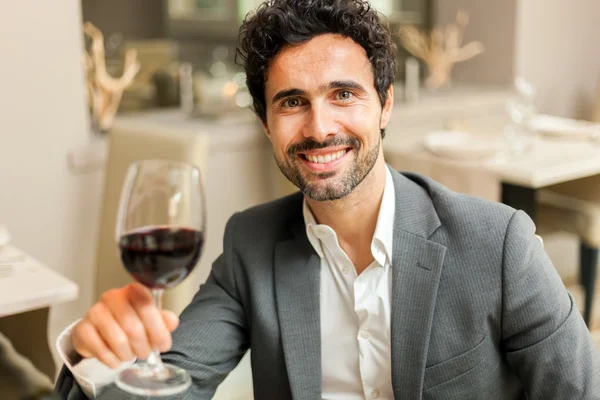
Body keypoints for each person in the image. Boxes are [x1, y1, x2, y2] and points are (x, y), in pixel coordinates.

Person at [55, 0, 600, 398]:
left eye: (344, 94)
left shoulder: (497, 244)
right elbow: (170, 386)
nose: (320, 128)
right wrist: (90, 352)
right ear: (266, 124)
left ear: (385, 105)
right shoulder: (251, 245)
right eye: (292, 102)